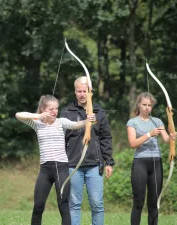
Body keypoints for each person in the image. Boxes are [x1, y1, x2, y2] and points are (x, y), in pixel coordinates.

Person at [15, 95, 95, 225]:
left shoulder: (61, 122)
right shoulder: (37, 123)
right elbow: (18, 115)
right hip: (45, 170)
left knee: (64, 206)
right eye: (51, 109)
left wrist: (88, 120)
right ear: (43, 109)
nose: (54, 112)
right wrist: (38, 116)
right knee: (38, 206)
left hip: (61, 169)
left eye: (56, 109)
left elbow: (76, 124)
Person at [60, 76, 115, 225]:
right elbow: (62, 140)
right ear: (75, 92)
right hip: (72, 165)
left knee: (97, 204)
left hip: (94, 165)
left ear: (90, 92)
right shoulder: (67, 112)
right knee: (74, 204)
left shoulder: (99, 112)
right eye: (79, 91)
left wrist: (108, 161)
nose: (82, 94)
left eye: (85, 91)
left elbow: (105, 138)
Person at [126, 92, 177, 225]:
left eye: (149, 105)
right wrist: (149, 134)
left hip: (156, 163)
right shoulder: (133, 122)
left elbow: (166, 139)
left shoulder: (157, 121)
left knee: (154, 202)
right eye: (144, 105)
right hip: (140, 163)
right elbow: (133, 143)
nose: (147, 108)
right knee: (138, 201)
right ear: (139, 105)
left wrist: (172, 137)